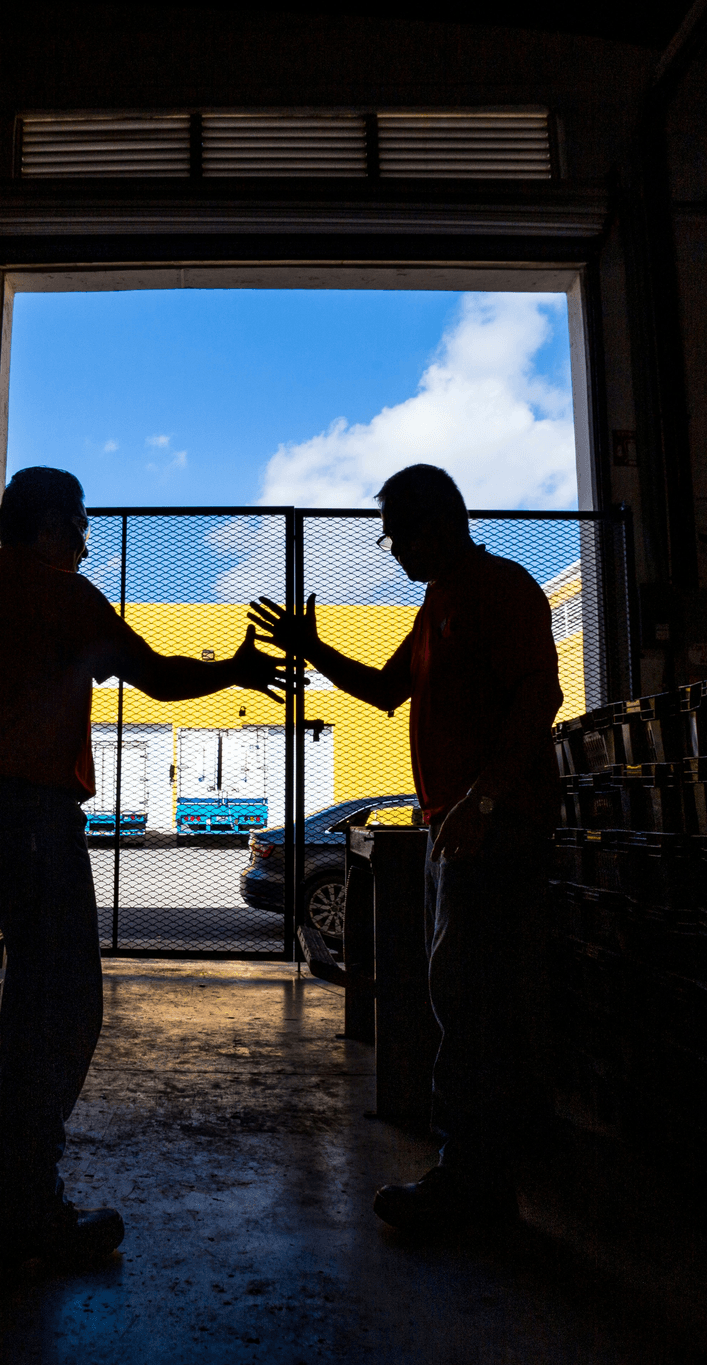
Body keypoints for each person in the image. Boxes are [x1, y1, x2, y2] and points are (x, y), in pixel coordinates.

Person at [0, 466, 285, 1263]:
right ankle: (24, 1208)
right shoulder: (56, 594)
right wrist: (234, 669)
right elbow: (153, 673)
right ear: (49, 526)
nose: (87, 540)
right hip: (32, 820)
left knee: (34, 1001)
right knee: (64, 1009)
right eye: (79, 524)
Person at [247, 463, 563, 1233]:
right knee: (467, 996)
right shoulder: (435, 607)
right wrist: (314, 648)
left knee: (470, 999)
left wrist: (482, 801)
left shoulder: (501, 588)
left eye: (396, 531)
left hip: (495, 827)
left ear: (438, 522)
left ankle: (475, 1184)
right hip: (458, 828)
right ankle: (488, 1168)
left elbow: (541, 694)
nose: (390, 548)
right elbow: (388, 692)